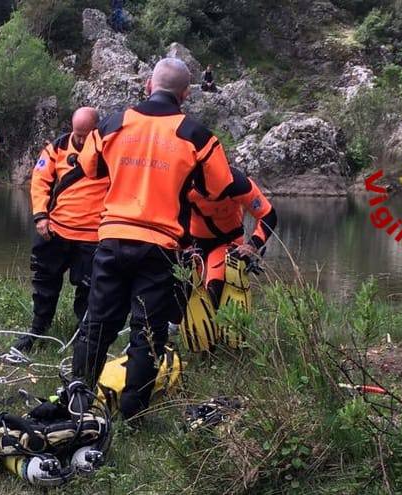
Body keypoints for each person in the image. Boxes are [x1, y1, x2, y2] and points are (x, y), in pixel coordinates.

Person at [71, 58, 234, 419]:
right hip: (160, 246)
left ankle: (77, 402)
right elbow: (220, 189)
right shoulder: (197, 135)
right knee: (147, 332)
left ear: (148, 85)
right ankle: (133, 412)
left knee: (97, 323)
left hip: (113, 236)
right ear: (185, 94)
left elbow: (87, 168)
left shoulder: (113, 123)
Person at [11, 108, 107, 353]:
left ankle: (82, 336)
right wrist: (41, 216)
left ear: (97, 129)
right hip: (55, 229)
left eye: (87, 135)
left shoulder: (109, 149)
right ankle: (38, 328)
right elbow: (40, 180)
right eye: (78, 133)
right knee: (44, 283)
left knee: (88, 289)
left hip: (92, 235)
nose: (82, 140)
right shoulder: (58, 147)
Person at [188, 166, 277, 306]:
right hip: (193, 242)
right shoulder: (183, 182)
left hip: (228, 241)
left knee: (214, 289)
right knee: (185, 289)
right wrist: (182, 245)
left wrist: (252, 245)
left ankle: (219, 322)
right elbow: (170, 216)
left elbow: (268, 215)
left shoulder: (238, 184)